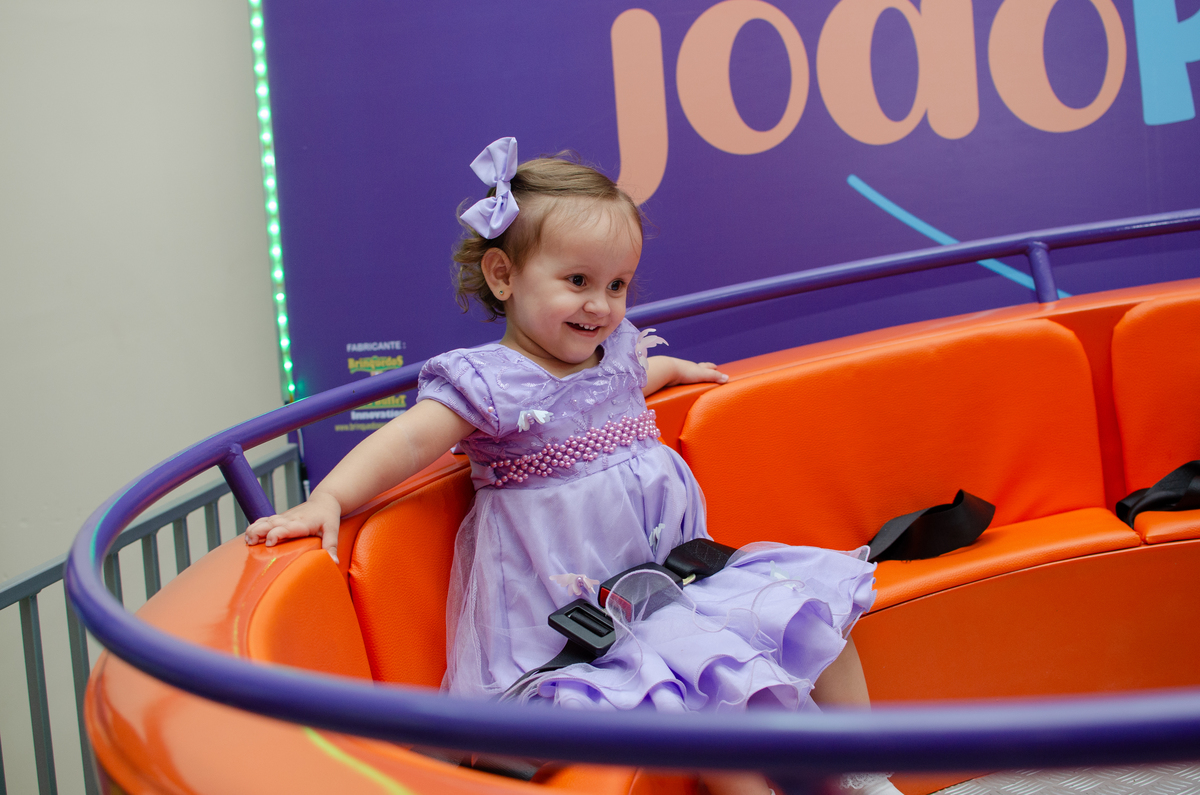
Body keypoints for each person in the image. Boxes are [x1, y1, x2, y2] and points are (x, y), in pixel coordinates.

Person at [245, 138, 898, 795]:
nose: (601, 305)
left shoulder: (613, 357)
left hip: (669, 581)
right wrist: (329, 497)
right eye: (577, 282)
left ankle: (867, 779)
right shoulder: (492, 381)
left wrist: (680, 369)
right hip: (570, 612)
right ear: (503, 276)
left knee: (813, 616)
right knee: (698, 701)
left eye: (617, 285)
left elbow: (637, 377)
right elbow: (409, 442)